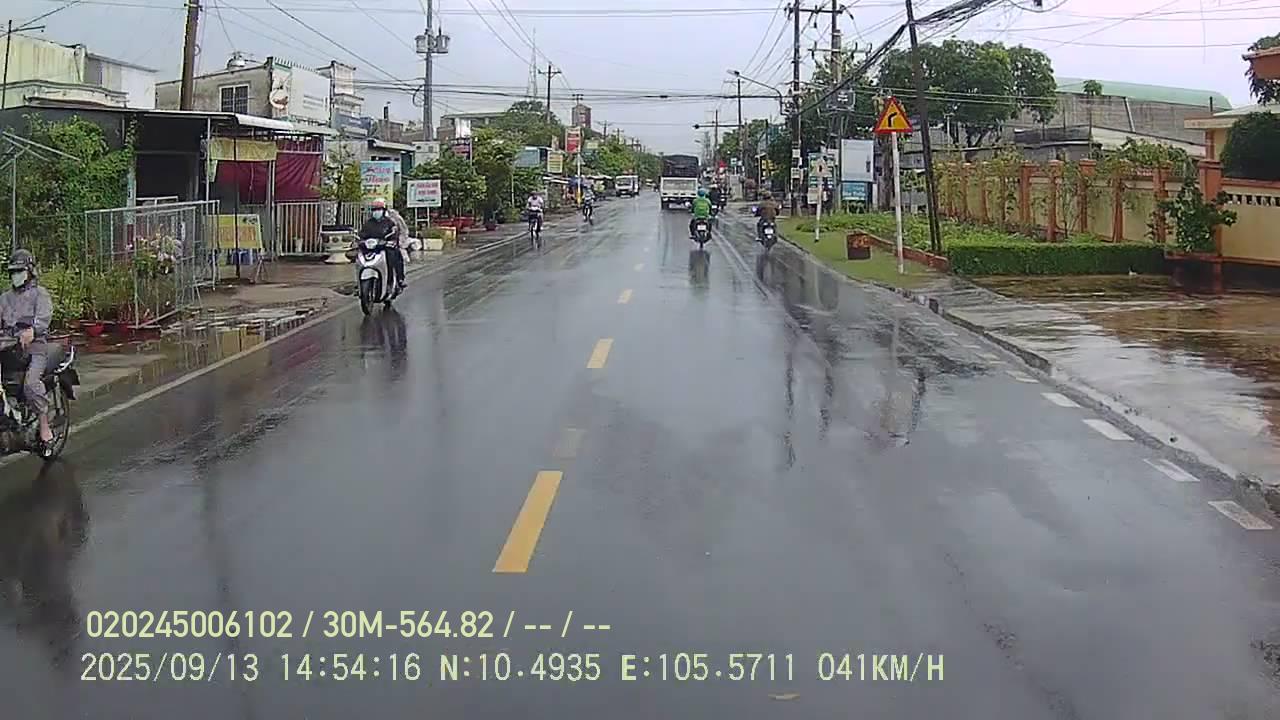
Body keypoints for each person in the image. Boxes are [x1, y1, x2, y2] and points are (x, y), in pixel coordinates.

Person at [0, 250, 56, 452]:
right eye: (13, 272)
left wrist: (32, 331)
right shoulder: (4, 298)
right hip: (8, 348)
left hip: (34, 348)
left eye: (20, 271)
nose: (16, 275)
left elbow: (43, 319)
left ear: (30, 271)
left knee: (31, 385)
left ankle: (44, 426)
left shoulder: (40, 294)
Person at [359, 198, 404, 293]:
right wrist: (361, 241)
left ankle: (395, 281)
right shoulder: (368, 223)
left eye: (379, 209)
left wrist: (390, 241)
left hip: (385, 248)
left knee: (394, 256)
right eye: (374, 209)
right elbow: (362, 235)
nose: (376, 212)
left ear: (383, 210)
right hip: (371, 249)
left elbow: (394, 234)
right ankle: (358, 284)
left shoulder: (389, 223)